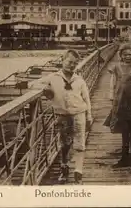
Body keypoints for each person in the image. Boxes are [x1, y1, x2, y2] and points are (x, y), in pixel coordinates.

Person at [29, 49, 92, 184]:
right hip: (62, 116)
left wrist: (89, 116)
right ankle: (64, 167)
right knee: (65, 143)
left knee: (80, 143)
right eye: (69, 62)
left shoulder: (79, 80)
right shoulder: (53, 78)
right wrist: (46, 89)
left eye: (75, 63)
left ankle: (78, 172)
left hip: (79, 114)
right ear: (62, 60)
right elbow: (32, 84)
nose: (72, 65)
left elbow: (86, 99)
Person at [103, 44, 131, 168]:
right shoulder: (116, 67)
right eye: (125, 55)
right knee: (124, 130)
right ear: (121, 56)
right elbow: (112, 84)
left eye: (130, 54)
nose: (128, 57)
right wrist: (112, 98)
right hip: (120, 102)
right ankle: (124, 158)